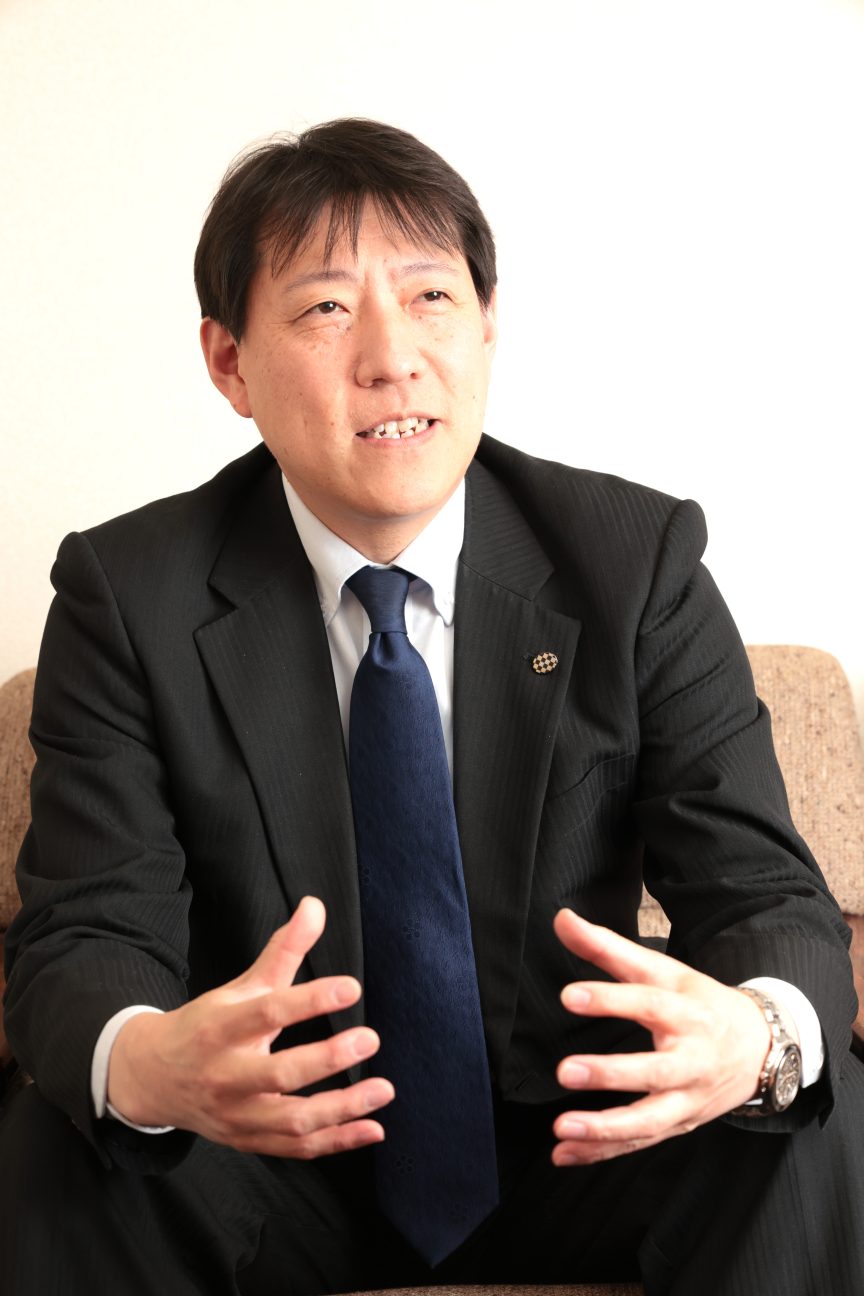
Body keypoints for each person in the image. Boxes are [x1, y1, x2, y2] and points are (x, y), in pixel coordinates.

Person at [1, 118, 862, 1296]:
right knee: (70, 1136)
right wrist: (146, 1060)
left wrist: (754, 1037)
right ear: (229, 363)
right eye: (325, 308)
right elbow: (85, 935)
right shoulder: (129, 596)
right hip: (267, 1142)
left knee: (803, 1101)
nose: (392, 357)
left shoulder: (634, 563)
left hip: (582, 1131)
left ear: (488, 324)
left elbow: (768, 899)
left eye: (431, 298)